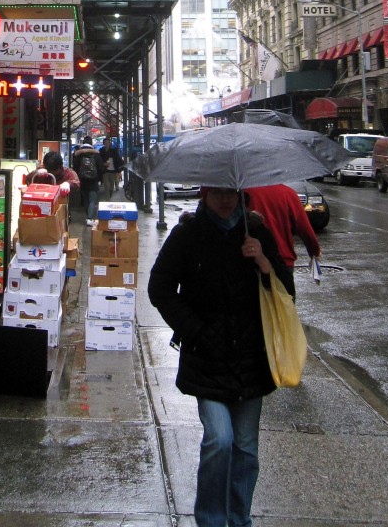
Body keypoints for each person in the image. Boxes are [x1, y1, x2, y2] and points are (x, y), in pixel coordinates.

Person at [148, 186, 293, 527]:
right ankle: (212, 520)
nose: (226, 201)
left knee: (245, 447)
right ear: (205, 194)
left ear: (242, 195)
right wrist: (194, 330)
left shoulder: (256, 232)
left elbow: (287, 291)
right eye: (218, 194)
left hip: (251, 360)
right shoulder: (188, 234)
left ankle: (239, 519)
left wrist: (263, 262)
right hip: (207, 359)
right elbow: (160, 288)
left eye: (232, 194)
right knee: (220, 439)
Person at [244, 183, 321, 293]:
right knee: (284, 307)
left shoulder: (243, 193)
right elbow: (304, 228)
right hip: (283, 262)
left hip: (250, 261)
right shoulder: (287, 193)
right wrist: (314, 251)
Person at [72, 136, 104, 225]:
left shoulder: (78, 155)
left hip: (82, 180)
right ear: (91, 143)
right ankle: (90, 218)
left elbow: (75, 168)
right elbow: (101, 168)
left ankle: (88, 217)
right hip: (93, 180)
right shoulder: (96, 155)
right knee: (92, 200)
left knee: (85, 199)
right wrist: (100, 179)